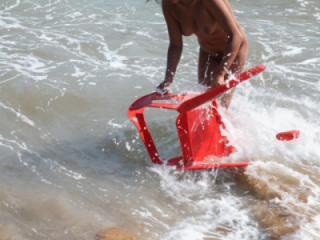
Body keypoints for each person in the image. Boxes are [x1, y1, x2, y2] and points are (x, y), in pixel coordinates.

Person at [156, 0, 248, 108]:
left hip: (233, 51)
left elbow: (236, 36)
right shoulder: (168, 5)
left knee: (223, 104)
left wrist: (220, 73)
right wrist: (168, 79)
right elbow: (175, 45)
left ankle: (231, 121)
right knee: (204, 102)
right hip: (208, 53)